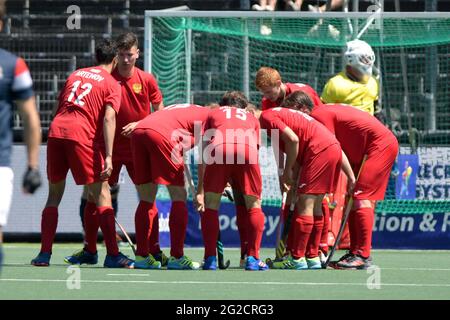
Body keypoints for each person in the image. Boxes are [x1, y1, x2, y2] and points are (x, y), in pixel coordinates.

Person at [31, 39, 134, 268]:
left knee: (54, 196)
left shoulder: (76, 74)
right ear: (115, 60)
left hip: (57, 133)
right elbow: (109, 118)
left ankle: (44, 254)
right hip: (80, 136)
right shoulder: (112, 83)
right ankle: (114, 255)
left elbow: (60, 107)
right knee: (102, 194)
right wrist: (108, 156)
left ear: (96, 58)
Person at [67, 32, 167, 266]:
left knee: (148, 200)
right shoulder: (106, 78)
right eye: (121, 55)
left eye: (129, 55)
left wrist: (142, 124)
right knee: (94, 199)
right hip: (107, 148)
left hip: (139, 149)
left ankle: (151, 250)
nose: (125, 60)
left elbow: (160, 110)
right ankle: (90, 249)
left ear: (137, 54)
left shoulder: (147, 79)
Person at [291, 90, 399, 269]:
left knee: (362, 198)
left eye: (295, 113)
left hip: (379, 146)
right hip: (362, 150)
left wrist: (349, 176)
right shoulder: (320, 113)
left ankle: (363, 255)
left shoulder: (318, 115)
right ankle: (355, 252)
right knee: (353, 199)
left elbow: (331, 148)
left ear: (303, 109)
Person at [251, 100, 347, 270]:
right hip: (331, 148)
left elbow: (293, 140)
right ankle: (312, 257)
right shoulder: (279, 113)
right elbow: (296, 141)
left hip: (318, 151)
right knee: (316, 204)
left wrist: (287, 171)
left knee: (305, 204)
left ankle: (297, 258)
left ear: (250, 113)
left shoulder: (266, 116)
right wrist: (294, 172)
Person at [129, 103, 210, 269]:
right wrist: (200, 192)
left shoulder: (190, 110)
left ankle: (142, 256)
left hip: (139, 131)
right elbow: (204, 161)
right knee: (179, 196)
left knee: (146, 198)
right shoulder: (211, 120)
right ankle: (177, 257)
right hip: (162, 135)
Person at [255, 66, 323, 258]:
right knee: (291, 196)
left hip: (315, 149)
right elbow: (277, 140)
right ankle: (291, 249)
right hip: (293, 152)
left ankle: (319, 249)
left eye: (269, 91)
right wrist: (282, 172)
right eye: (263, 93)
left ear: (279, 84)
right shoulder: (267, 103)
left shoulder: (303, 93)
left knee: (314, 197)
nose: (266, 96)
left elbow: (319, 124)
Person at [198, 91, 268, 271]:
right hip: (247, 152)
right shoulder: (251, 117)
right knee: (254, 205)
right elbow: (255, 147)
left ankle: (210, 259)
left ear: (223, 105)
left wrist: (203, 188)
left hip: (218, 150)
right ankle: (253, 259)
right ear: (243, 107)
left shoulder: (213, 113)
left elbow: (205, 149)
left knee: (211, 205)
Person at [0, 0, 42, 271]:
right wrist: (32, 165)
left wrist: (32, 166)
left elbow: (30, 119)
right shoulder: (14, 65)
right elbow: (31, 119)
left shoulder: (14, 66)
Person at [321, 39, 379, 116]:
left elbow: (374, 106)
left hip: (368, 126)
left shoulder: (373, 81)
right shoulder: (335, 84)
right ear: (351, 59)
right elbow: (323, 111)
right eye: (363, 58)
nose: (367, 61)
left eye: (369, 58)